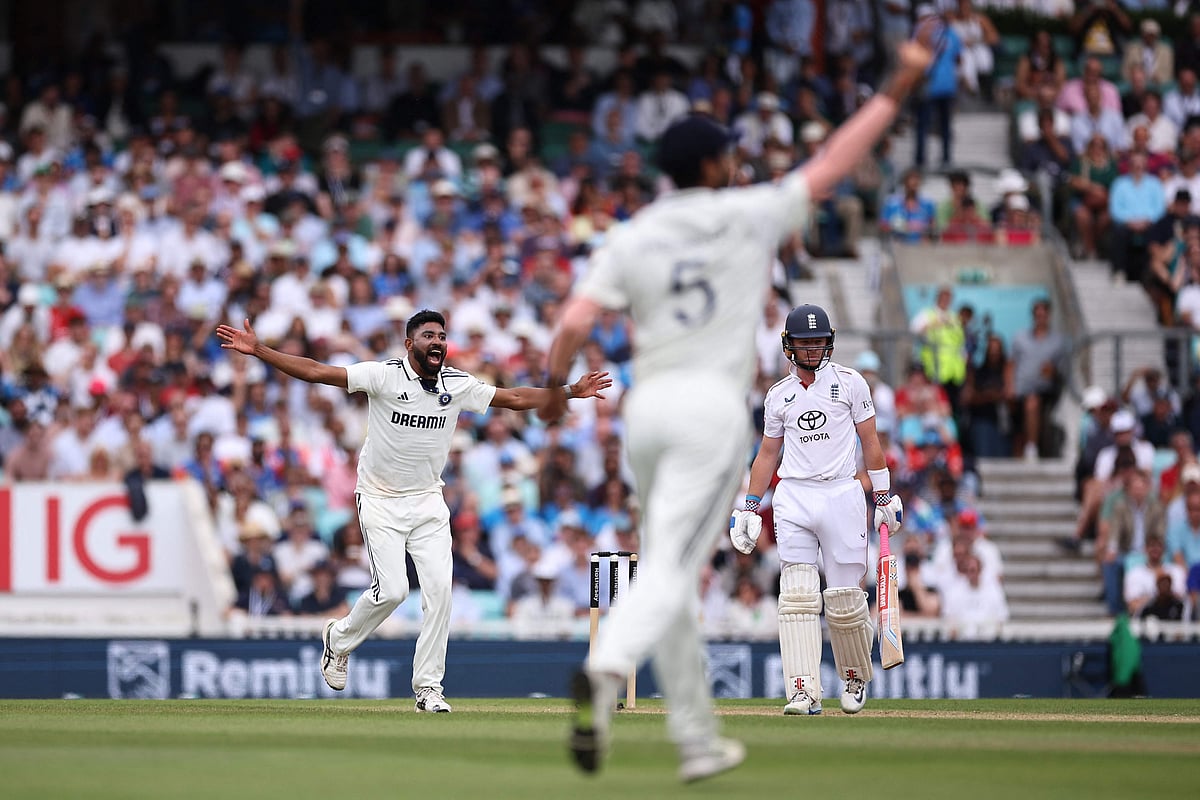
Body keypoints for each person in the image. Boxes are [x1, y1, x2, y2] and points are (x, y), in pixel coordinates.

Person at [537, 34, 934, 783]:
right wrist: (897, 84)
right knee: (669, 569)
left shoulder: (633, 233)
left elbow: (573, 326)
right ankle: (607, 665)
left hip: (645, 413)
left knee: (671, 570)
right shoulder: (747, 212)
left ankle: (698, 742)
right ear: (716, 166)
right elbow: (834, 163)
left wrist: (556, 395)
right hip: (709, 412)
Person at [216, 309, 610, 713]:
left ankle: (428, 689)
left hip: (427, 501)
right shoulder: (383, 376)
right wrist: (261, 350)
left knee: (441, 593)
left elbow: (513, 398)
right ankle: (338, 640)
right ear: (409, 344)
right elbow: (318, 372)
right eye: (428, 336)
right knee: (392, 591)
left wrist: (569, 391)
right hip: (379, 498)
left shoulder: (456, 384)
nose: (437, 341)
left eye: (441, 335)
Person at [731, 303, 900, 716]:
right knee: (798, 596)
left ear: (830, 342)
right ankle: (804, 690)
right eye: (804, 343)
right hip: (793, 497)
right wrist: (750, 506)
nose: (811, 350)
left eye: (818, 342)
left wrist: (883, 496)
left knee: (843, 599)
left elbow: (871, 442)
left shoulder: (851, 383)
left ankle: (855, 675)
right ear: (789, 346)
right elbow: (767, 454)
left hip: (841, 493)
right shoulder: (778, 395)